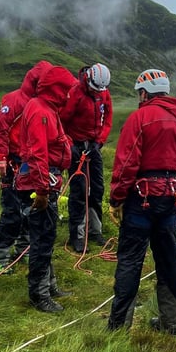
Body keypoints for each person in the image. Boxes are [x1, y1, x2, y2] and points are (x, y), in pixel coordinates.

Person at [107, 69, 176, 334]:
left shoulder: (139, 118)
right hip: (170, 199)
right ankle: (171, 323)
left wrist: (116, 199)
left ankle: (119, 326)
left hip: (140, 200)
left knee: (131, 260)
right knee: (170, 261)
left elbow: (126, 164)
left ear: (144, 93)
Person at [15, 65, 76, 313]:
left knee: (47, 236)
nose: (70, 95)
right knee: (42, 239)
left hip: (45, 180)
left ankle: (49, 286)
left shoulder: (46, 108)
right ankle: (39, 296)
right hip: (39, 183)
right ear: (57, 89)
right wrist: (41, 191)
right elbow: (38, 153)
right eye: (67, 90)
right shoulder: (41, 111)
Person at [0, 60, 52, 273]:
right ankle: (1, 255)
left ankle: (23, 250)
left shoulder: (44, 104)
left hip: (31, 164)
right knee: (12, 212)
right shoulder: (14, 100)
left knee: (30, 209)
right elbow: (0, 130)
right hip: (13, 163)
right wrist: (0, 157)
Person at [59, 63, 113, 253]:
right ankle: (78, 235)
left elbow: (107, 119)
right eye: (93, 88)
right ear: (87, 79)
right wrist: (70, 145)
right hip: (76, 146)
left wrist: (99, 142)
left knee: (97, 189)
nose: (96, 92)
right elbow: (62, 120)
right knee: (79, 191)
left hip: (94, 145)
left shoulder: (103, 93)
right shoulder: (75, 93)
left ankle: (95, 230)